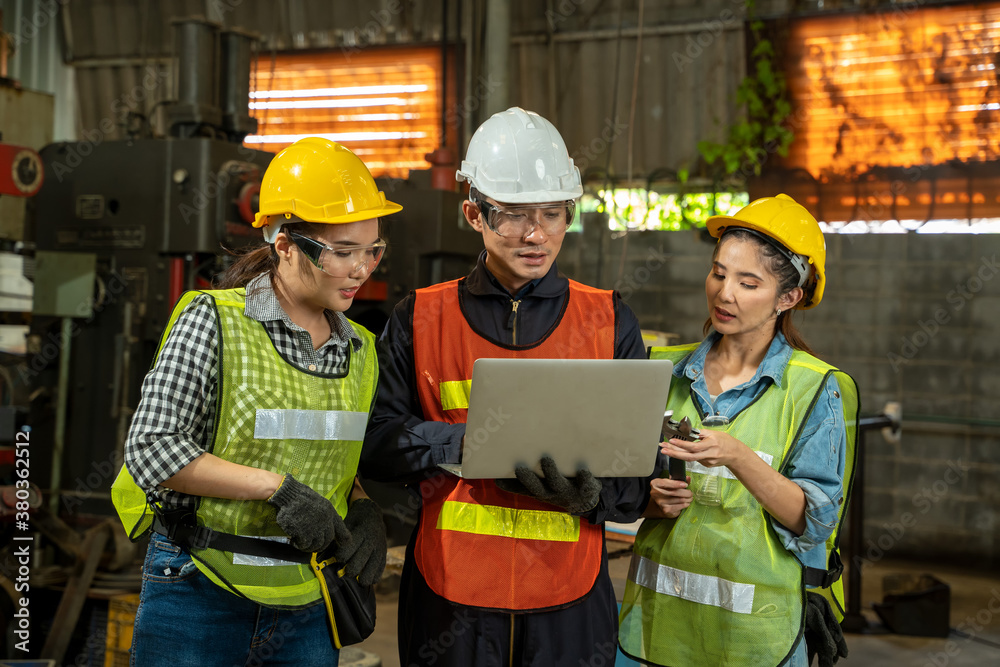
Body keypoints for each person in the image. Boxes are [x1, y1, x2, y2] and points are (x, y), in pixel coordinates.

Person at [361, 107, 651, 666]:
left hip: (570, 599)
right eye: (514, 215)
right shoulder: (418, 318)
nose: (536, 234)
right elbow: (375, 445)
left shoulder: (610, 321)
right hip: (451, 600)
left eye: (552, 213)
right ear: (474, 213)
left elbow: (638, 477)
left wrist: (595, 496)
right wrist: (462, 445)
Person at [111, 138, 398, 666]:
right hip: (199, 586)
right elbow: (153, 449)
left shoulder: (360, 348)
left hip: (307, 597)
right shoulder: (214, 319)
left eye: (372, 250)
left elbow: (329, 454)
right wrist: (279, 491)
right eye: (343, 251)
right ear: (285, 244)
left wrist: (361, 507)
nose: (362, 269)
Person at [618, 194, 859, 667]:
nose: (725, 293)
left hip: (754, 641)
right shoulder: (659, 370)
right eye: (719, 273)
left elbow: (813, 522)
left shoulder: (813, 389)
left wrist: (737, 455)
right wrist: (648, 500)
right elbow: (618, 483)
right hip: (653, 629)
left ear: (788, 297)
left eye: (749, 283)